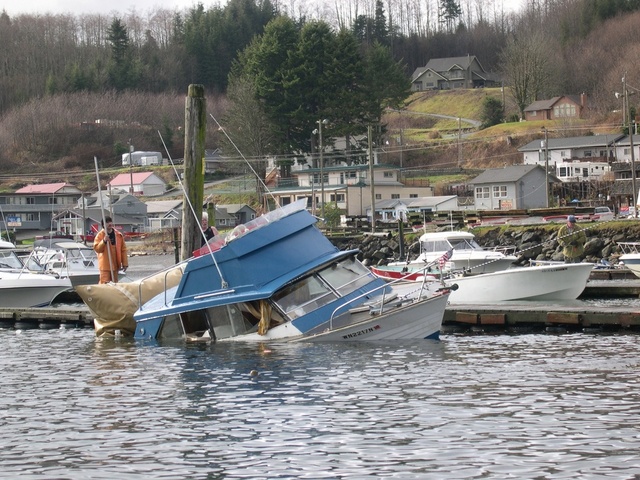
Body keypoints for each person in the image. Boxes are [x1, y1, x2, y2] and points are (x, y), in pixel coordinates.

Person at [93, 215, 128, 283]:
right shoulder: (100, 235)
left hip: (115, 265)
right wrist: (104, 241)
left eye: (110, 222)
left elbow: (123, 250)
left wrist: (125, 263)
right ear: (103, 224)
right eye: (107, 222)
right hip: (105, 265)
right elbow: (97, 249)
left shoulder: (118, 235)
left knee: (115, 283)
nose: (110, 224)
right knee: (104, 283)